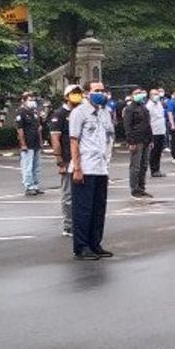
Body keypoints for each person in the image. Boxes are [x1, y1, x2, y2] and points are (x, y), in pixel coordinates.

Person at [69, 81, 115, 260]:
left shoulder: (104, 112)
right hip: (85, 167)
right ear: (87, 93)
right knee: (83, 210)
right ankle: (81, 246)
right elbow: (74, 141)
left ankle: (95, 243)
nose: (101, 93)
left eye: (103, 90)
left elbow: (108, 136)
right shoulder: (78, 112)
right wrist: (77, 168)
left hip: (101, 167)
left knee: (98, 208)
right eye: (97, 90)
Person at [49, 85, 80, 237]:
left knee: (80, 194)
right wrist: (60, 161)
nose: (77, 96)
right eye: (73, 94)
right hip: (67, 159)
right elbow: (55, 139)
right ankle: (69, 225)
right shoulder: (60, 114)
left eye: (79, 94)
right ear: (66, 96)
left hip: (80, 159)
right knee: (68, 194)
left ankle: (79, 222)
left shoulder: (79, 112)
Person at [122, 87, 153, 199]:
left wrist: (150, 140)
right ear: (132, 95)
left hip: (146, 139)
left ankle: (141, 187)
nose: (139, 95)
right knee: (135, 166)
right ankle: (134, 189)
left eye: (140, 92)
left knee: (144, 165)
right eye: (136, 93)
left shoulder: (144, 107)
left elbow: (148, 124)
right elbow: (127, 127)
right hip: (136, 140)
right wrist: (131, 141)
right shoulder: (130, 109)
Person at [16, 91, 45, 196]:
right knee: (27, 166)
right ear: (23, 101)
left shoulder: (34, 112)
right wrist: (23, 144)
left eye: (33, 99)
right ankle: (29, 186)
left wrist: (41, 141)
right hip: (27, 143)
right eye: (29, 100)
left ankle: (35, 185)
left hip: (36, 142)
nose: (32, 102)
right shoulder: (21, 112)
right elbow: (20, 130)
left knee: (36, 166)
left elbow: (38, 128)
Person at [145, 88, 167, 178]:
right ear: (150, 96)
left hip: (161, 130)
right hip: (153, 131)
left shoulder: (159, 104)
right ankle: (154, 170)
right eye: (154, 94)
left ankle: (157, 169)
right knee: (154, 151)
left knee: (158, 151)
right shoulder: (148, 106)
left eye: (157, 94)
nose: (156, 96)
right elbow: (148, 120)